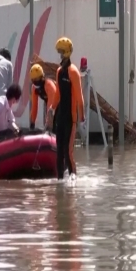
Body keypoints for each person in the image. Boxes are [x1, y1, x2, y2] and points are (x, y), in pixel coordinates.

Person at [51, 37, 84, 180]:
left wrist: (81, 117)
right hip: (60, 117)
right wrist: (51, 108)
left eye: (62, 52)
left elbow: (79, 97)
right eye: (59, 52)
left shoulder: (73, 72)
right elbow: (57, 94)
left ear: (68, 53)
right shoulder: (59, 71)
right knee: (59, 151)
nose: (60, 55)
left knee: (68, 151)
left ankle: (73, 179)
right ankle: (59, 180)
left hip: (71, 118)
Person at [29, 63, 57, 131]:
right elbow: (34, 107)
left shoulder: (49, 86)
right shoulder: (34, 88)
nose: (36, 82)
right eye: (34, 80)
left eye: (38, 79)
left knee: (55, 128)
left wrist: (48, 123)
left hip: (59, 103)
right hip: (49, 104)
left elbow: (51, 107)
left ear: (42, 77)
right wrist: (32, 123)